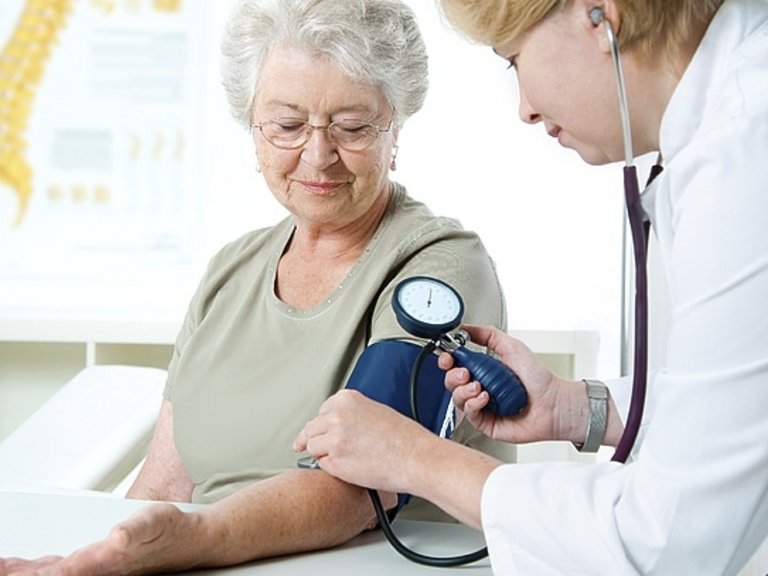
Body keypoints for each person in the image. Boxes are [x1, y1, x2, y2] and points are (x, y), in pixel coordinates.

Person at [0, 0, 511, 574]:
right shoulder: (231, 272)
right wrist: (90, 562)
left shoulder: (440, 267)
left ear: (396, 125)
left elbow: (362, 486)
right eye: (288, 125)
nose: (318, 156)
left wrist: (188, 538)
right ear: (252, 127)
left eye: (351, 126)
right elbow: (166, 482)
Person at [295, 0, 768, 574]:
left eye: (513, 59)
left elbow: (668, 539)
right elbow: (732, 412)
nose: (523, 109)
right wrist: (573, 408)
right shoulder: (735, 120)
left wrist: (417, 459)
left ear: (601, 16)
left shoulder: (745, 157)